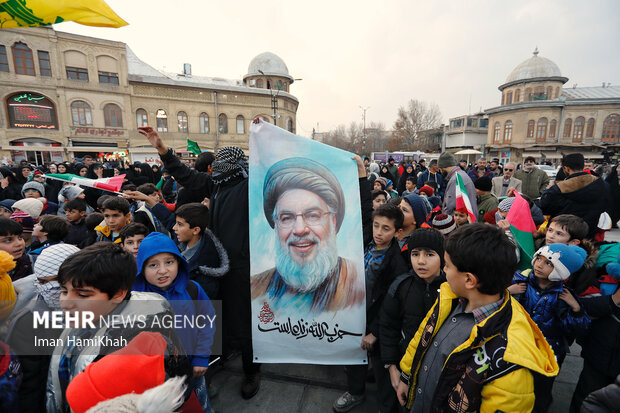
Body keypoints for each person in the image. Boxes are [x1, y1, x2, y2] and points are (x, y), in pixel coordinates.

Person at [139, 125, 258, 399]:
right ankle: (218, 356)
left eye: (222, 163)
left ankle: (252, 370)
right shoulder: (215, 184)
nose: (216, 167)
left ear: (237, 165)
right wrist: (161, 148)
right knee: (215, 313)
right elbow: (185, 174)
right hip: (213, 262)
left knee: (243, 319)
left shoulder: (250, 187)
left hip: (241, 266)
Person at [396, 224, 559, 412]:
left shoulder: (510, 355)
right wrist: (407, 376)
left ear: (469, 280)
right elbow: (423, 336)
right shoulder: (449, 297)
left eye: (448, 265)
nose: (444, 269)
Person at [46, 243, 186, 412]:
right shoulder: (86, 320)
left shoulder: (130, 348)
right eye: (63, 291)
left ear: (118, 294)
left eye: (82, 294)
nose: (66, 303)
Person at [251, 157, 363, 315]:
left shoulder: (357, 284)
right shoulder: (256, 288)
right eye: (287, 218)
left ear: (333, 220)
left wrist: (362, 179)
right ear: (275, 225)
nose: (299, 229)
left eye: (313, 216)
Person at [333, 203, 407, 413]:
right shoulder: (366, 244)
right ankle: (355, 392)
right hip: (355, 312)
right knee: (354, 356)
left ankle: (385, 407)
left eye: (386, 228)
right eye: (376, 226)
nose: (379, 232)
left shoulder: (396, 265)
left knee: (383, 365)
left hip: (377, 322)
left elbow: (391, 306)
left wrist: (375, 331)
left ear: (397, 232)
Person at [133, 232, 215, 412]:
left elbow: (207, 321)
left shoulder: (192, 289)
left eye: (169, 262)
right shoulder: (134, 299)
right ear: (141, 268)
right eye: (153, 265)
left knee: (200, 406)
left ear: (179, 262)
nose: (162, 270)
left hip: (193, 369)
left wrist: (201, 357)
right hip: (155, 380)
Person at [508, 244, 590, 412]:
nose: (539, 265)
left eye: (549, 263)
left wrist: (576, 309)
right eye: (539, 258)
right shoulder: (518, 282)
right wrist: (506, 292)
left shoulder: (564, 296)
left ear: (561, 271)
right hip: (516, 347)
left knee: (540, 392)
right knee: (512, 387)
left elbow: (577, 330)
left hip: (548, 353)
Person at [5, 243, 79, 413]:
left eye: (57, 282)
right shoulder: (28, 322)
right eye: (43, 281)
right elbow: (28, 383)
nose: (50, 288)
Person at [380, 228, 446, 402]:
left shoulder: (452, 289)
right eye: (415, 254)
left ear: (442, 257)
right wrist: (392, 367)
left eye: (429, 255)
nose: (421, 261)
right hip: (404, 369)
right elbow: (388, 327)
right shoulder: (401, 286)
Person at [539, 153, 609, 239]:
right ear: (583, 166)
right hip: (589, 233)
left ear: (566, 169)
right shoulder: (601, 184)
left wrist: (547, 190)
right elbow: (606, 205)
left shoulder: (558, 188)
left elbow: (544, 208)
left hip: (562, 234)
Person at [172, 203, 229, 299]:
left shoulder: (205, 269)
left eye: (180, 224)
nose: (174, 228)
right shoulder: (181, 242)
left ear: (195, 230)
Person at [437, 151, 477, 216]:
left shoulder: (456, 179)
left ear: (443, 167)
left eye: (440, 169)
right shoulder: (461, 174)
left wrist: (444, 219)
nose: (440, 172)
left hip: (460, 220)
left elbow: (450, 205)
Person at [605, 163, 620, 228]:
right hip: (613, 195)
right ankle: (612, 223)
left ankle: (613, 222)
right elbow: (607, 181)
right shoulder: (614, 170)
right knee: (612, 209)